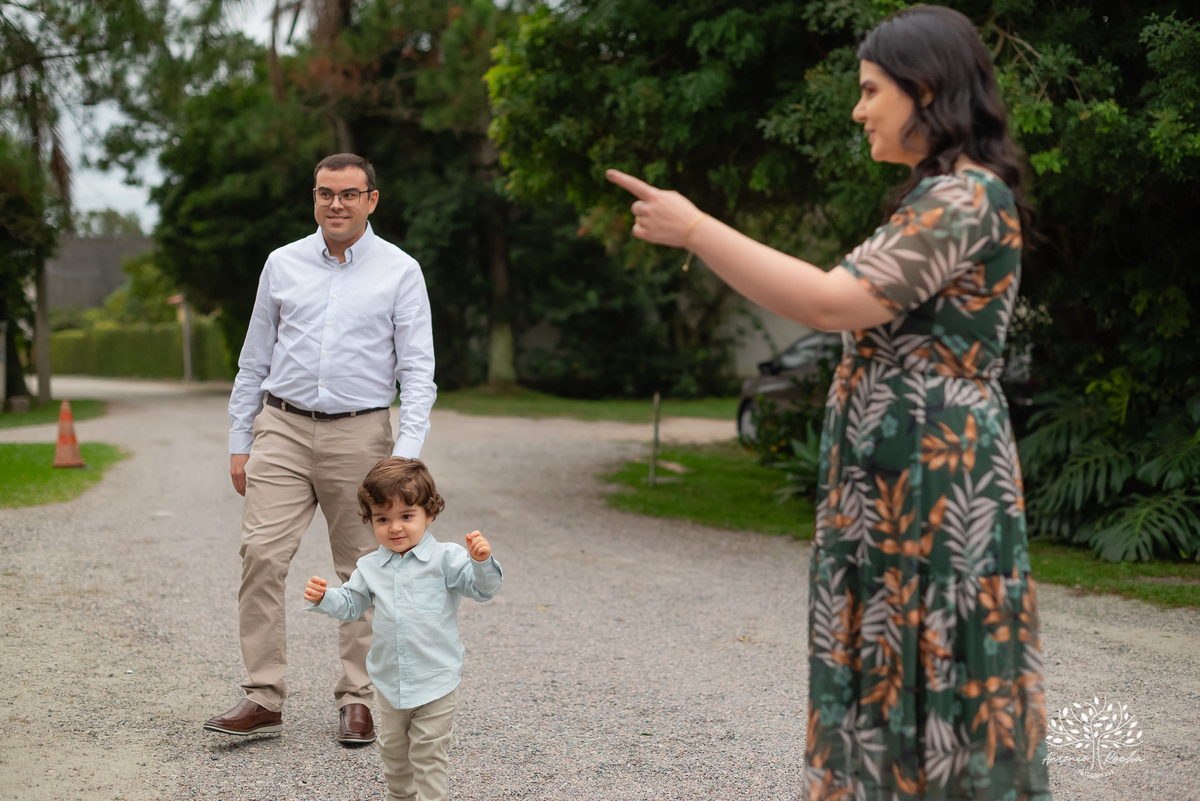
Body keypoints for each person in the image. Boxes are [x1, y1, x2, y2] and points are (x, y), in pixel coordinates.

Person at [607, 7, 1050, 800]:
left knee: (934, 659)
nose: (858, 108)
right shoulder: (939, 197)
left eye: (870, 89)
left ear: (925, 90)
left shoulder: (965, 200)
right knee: (891, 660)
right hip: (893, 485)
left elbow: (825, 301)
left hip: (934, 489)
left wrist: (698, 228)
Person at [203, 153, 437, 746]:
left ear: (371, 200)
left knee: (362, 569)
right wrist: (239, 439)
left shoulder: (400, 270)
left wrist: (402, 458)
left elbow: (417, 370)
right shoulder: (281, 264)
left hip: (361, 435)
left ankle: (357, 698)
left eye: (350, 194)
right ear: (314, 197)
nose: (337, 204)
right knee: (260, 554)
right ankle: (263, 696)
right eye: (326, 193)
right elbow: (253, 360)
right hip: (280, 428)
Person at [303, 457, 502, 801]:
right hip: (391, 681)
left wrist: (481, 562)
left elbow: (482, 590)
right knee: (394, 754)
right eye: (382, 519)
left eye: (406, 516)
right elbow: (352, 604)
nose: (394, 528)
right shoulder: (369, 566)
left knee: (427, 755)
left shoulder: (447, 558)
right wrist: (324, 598)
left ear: (429, 513)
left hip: (436, 679)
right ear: (370, 520)